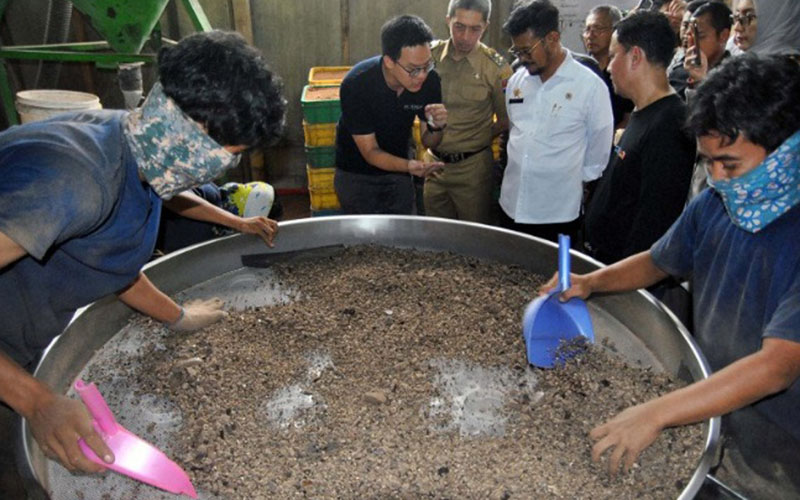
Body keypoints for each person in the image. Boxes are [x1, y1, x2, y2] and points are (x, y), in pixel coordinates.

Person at [0, 30, 286, 474]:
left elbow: (117, 255)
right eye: (229, 155)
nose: (226, 168)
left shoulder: (134, 141)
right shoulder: (73, 184)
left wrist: (178, 316)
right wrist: (35, 401)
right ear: (190, 133)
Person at [543, 54, 800, 499]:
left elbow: (778, 366)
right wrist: (590, 282)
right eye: (709, 162)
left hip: (781, 449)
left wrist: (654, 414)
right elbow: (661, 260)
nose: (718, 178)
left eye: (731, 164)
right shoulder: (716, 204)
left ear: (786, 150)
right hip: (709, 404)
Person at [584, 11, 695, 266]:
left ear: (635, 57)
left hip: (624, 276)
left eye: (613, 57)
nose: (609, 67)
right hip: (605, 263)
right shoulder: (643, 112)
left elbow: (654, 223)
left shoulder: (670, 124)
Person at [499, 0, 613, 244]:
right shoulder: (518, 81)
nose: (521, 58)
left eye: (527, 51)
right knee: (509, 276)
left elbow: (598, 152)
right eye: (517, 52)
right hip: (512, 205)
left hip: (558, 214)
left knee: (559, 279)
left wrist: (574, 181)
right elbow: (514, 132)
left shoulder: (589, 87)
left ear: (552, 38)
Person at [334, 15, 447, 215]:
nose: (421, 75)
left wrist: (437, 126)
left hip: (399, 173)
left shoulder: (430, 82)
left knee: (403, 237)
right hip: (356, 173)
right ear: (389, 61)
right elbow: (370, 152)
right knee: (361, 240)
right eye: (413, 69)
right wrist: (410, 166)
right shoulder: (357, 85)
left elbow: (429, 141)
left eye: (427, 66)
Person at [422, 0, 512, 224]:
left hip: (473, 170)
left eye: (475, 29)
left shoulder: (497, 68)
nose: (465, 37)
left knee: (474, 241)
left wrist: (477, 139)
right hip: (434, 165)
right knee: (435, 238)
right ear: (447, 21)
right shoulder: (428, 57)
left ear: (486, 26)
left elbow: (505, 120)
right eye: (459, 27)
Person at [582, 5, 634, 129]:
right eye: (587, 30)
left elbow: (629, 119)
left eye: (597, 29)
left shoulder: (624, 71)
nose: (590, 35)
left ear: (615, 31)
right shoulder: (580, 69)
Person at [676, 1, 733, 98]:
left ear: (723, 35)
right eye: (689, 35)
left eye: (700, 36)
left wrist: (700, 81)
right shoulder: (682, 70)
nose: (691, 42)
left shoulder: (733, 76)